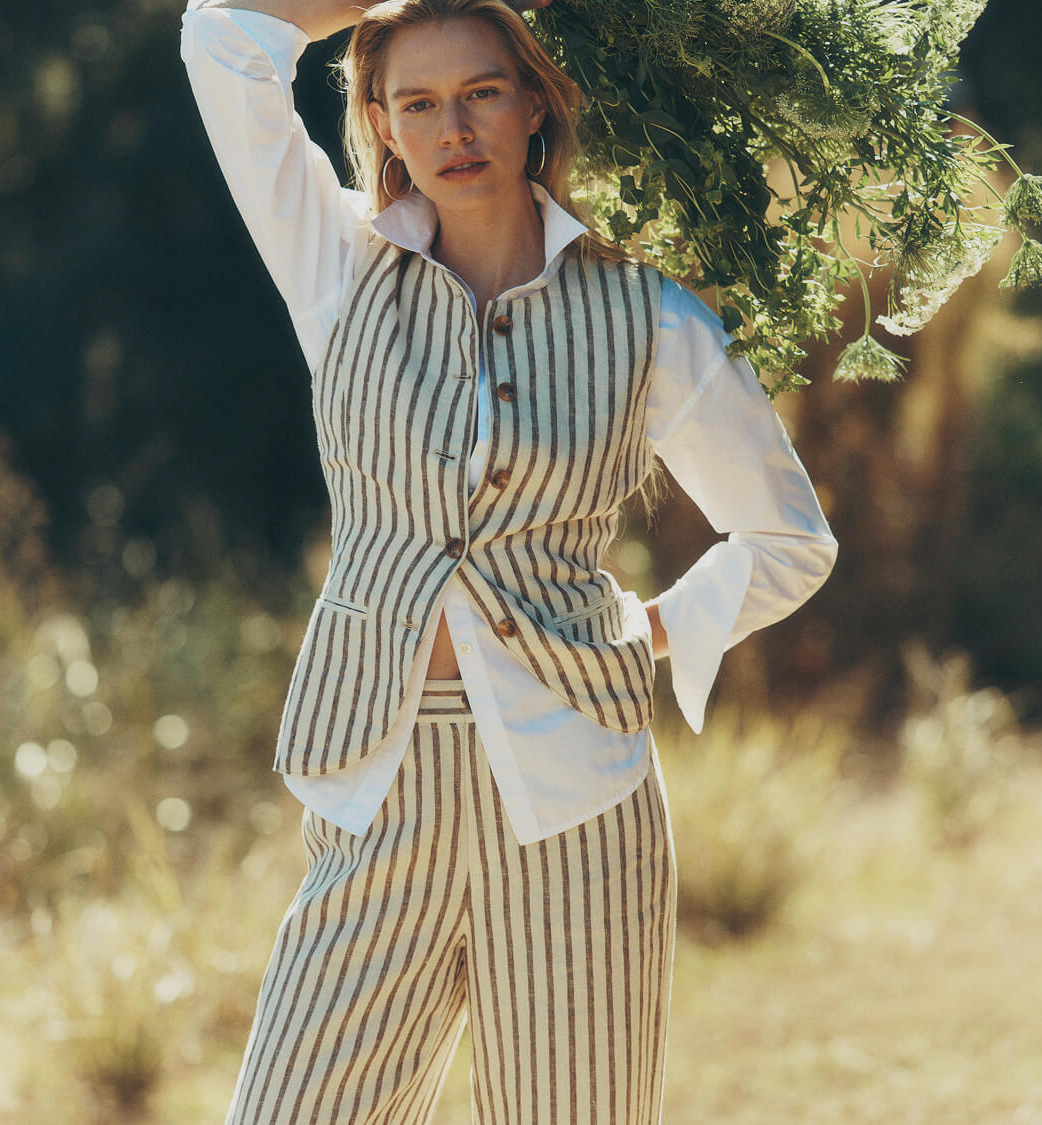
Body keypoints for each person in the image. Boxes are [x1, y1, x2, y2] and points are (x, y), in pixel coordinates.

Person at [179, 0, 837, 1120]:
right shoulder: (334, 265)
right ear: (381, 125)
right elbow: (222, 36)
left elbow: (788, 539)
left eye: (482, 90)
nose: (454, 127)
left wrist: (654, 631)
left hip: (577, 787)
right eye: (418, 103)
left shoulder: (650, 317)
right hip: (379, 775)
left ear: (536, 101)